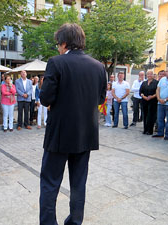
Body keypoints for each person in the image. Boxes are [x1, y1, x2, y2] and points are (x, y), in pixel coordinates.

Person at [39, 23, 107, 225]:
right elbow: (100, 98)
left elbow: (45, 98)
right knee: (78, 183)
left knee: (50, 183)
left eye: (58, 44)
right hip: (85, 133)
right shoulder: (98, 66)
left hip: (59, 135)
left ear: (64, 43)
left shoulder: (56, 63)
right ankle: (75, 222)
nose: (58, 49)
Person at [152, 67, 168, 140]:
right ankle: (160, 133)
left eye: (167, 71)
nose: (165, 72)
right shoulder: (162, 79)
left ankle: (167, 134)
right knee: (160, 118)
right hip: (160, 103)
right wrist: (159, 98)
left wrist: (166, 99)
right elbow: (158, 89)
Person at [139, 70, 158, 135]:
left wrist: (152, 96)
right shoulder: (144, 83)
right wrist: (144, 96)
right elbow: (140, 92)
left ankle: (150, 130)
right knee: (145, 115)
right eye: (148, 74)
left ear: (153, 75)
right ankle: (145, 129)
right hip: (144, 101)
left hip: (153, 101)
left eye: (151, 74)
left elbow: (158, 92)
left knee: (151, 116)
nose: (149, 75)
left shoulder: (156, 82)